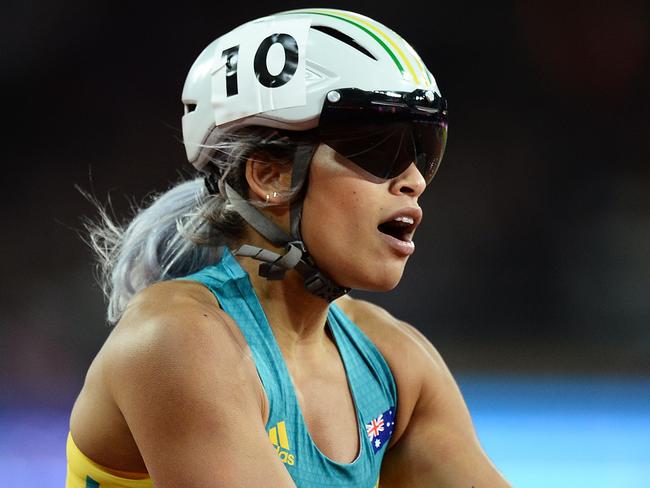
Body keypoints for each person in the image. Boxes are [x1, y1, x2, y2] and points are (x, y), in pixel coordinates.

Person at [66, 7, 511, 488]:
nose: (414, 180)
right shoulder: (175, 339)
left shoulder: (394, 360)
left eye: (424, 149)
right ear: (269, 176)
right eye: (379, 147)